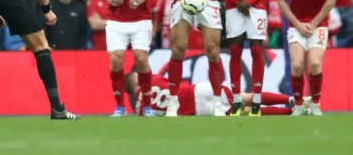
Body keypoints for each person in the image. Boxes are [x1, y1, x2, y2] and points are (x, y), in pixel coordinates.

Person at [277, 0, 336, 116]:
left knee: (315, 64)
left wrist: (314, 23)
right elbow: (281, 0)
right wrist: (297, 23)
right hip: (296, 25)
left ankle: (316, 103)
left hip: (318, 24)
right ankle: (300, 104)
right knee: (296, 65)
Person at [124, 70, 294, 116]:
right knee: (248, 98)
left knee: (246, 112)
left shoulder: (141, 110)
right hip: (198, 91)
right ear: (137, 82)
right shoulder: (152, 79)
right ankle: (291, 100)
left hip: (198, 111)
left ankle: (290, 112)